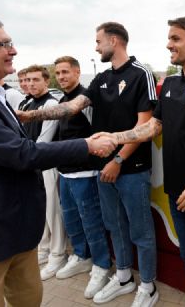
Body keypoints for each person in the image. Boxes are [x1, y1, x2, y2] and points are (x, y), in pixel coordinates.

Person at [0, 15, 116, 307]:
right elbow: (19, 153)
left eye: (11, 43)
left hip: (14, 232)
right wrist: (87, 146)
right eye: (3, 44)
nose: (13, 50)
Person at [92, 16, 185, 307]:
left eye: (175, 38)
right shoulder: (172, 83)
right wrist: (115, 137)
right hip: (177, 194)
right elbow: (153, 127)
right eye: (169, 39)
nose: (168, 45)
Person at [21, 22, 159, 307]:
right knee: (114, 226)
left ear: (115, 40)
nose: (95, 47)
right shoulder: (103, 78)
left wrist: (119, 160)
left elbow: (144, 126)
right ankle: (123, 277)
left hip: (131, 169)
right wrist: (28, 116)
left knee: (140, 231)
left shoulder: (140, 73)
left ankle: (148, 285)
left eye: (98, 42)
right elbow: (71, 107)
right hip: (103, 168)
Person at [49, 56, 112, 300]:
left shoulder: (86, 100)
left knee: (91, 222)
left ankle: (102, 266)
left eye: (66, 72)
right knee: (71, 220)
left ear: (77, 72)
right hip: (64, 173)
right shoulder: (62, 100)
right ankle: (81, 257)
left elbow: (99, 135)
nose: (62, 77)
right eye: (58, 73)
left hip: (85, 174)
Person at [21, 65, 68, 280]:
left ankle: (58, 254)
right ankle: (45, 248)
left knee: (53, 211)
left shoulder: (51, 103)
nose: (30, 84)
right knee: (41, 210)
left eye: (35, 80)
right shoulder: (28, 102)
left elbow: (45, 137)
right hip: (31, 162)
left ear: (46, 82)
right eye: (27, 80)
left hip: (46, 163)